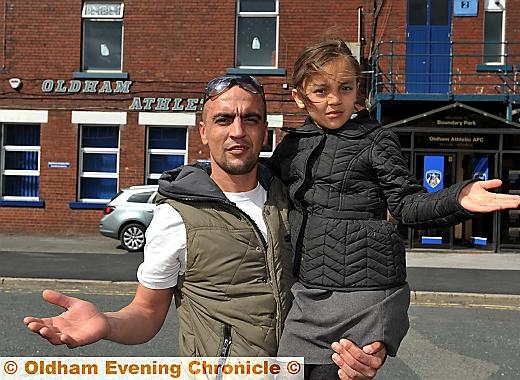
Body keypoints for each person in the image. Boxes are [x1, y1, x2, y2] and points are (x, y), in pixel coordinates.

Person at [24, 74, 386, 380]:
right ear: (202, 130)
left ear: (265, 130)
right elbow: (147, 313)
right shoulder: (176, 216)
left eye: (251, 119)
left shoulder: (296, 196)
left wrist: (366, 345)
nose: (238, 132)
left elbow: (348, 280)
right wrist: (106, 323)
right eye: (224, 119)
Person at [267, 37, 520, 379]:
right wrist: (202, 175)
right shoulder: (292, 146)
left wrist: (457, 198)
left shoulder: (377, 140)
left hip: (363, 294)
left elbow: (407, 204)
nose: (334, 100)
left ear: (357, 89)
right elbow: (256, 186)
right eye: (321, 90)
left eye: (345, 88)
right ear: (299, 96)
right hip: (308, 293)